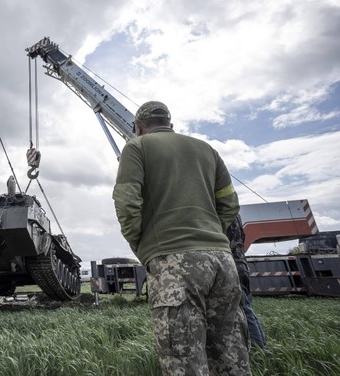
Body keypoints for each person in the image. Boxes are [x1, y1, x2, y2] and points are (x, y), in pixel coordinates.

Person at [112, 101, 251, 375]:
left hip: (174, 263)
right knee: (231, 357)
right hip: (223, 263)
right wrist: (212, 234)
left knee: (184, 361)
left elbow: (126, 203)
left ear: (138, 126)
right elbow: (230, 204)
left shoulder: (136, 147)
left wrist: (142, 246)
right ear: (169, 123)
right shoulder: (207, 150)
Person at [227, 215, 267, 348]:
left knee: (244, 308)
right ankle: (260, 346)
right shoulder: (236, 217)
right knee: (246, 307)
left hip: (233, 264)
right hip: (241, 264)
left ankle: (258, 348)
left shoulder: (227, 219)